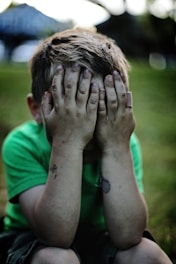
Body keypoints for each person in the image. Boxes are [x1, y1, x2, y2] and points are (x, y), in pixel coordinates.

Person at [1, 27, 172, 264]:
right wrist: (67, 142)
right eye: (74, 107)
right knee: (58, 259)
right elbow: (55, 236)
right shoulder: (23, 143)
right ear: (37, 109)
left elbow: (129, 236)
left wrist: (116, 148)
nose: (87, 122)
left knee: (147, 254)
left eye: (99, 106)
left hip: (102, 239)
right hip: (35, 241)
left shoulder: (122, 141)